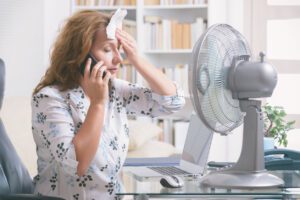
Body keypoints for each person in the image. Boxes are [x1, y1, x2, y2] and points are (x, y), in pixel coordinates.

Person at [31, 10, 185, 200]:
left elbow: (173, 102)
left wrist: (136, 59)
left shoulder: (115, 89)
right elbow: (77, 165)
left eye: (119, 50)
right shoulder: (49, 99)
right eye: (106, 49)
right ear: (81, 54)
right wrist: (98, 103)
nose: (118, 59)